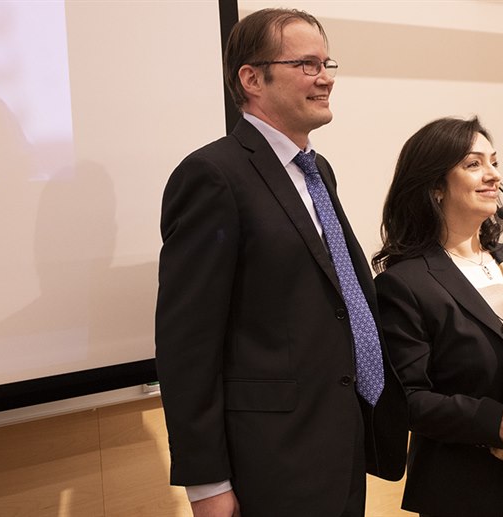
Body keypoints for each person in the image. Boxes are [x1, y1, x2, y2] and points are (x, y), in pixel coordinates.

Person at [155, 8, 407, 517]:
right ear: (252, 78)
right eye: (307, 65)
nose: (325, 79)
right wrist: (206, 482)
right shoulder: (213, 175)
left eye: (327, 64)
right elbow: (187, 344)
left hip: (340, 445)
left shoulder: (318, 170)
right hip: (271, 460)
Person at [372, 116, 503, 517]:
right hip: (467, 490)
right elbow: (406, 399)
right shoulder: (405, 284)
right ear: (435, 186)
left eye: (494, 162)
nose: (493, 175)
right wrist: (491, 421)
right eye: (473, 164)